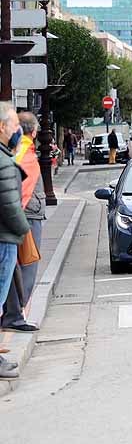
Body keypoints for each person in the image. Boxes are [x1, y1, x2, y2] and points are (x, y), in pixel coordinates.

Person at [0, 104, 32, 379]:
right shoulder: (4, 161)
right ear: (2, 127)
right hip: (4, 238)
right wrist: (23, 231)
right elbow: (10, 205)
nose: (17, 130)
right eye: (14, 125)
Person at [2, 112, 42, 333]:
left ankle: (12, 313)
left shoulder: (18, 149)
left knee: (14, 266)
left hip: (20, 214)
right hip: (26, 216)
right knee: (25, 266)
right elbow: (20, 188)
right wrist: (19, 224)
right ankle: (16, 315)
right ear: (34, 131)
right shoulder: (25, 151)